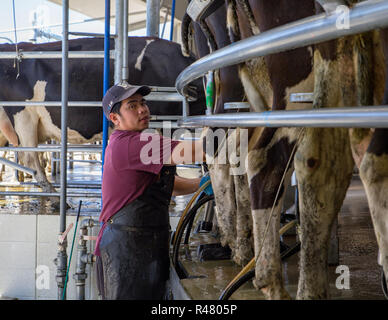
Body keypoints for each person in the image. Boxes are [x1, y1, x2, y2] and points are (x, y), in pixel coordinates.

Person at [94, 82, 207, 300]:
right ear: (115, 118)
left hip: (142, 247)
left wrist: (202, 183)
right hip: (126, 254)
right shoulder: (133, 145)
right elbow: (201, 151)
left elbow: (165, 186)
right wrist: (247, 133)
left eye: (143, 103)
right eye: (132, 105)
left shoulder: (130, 142)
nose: (142, 109)